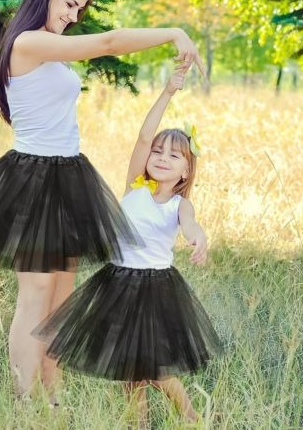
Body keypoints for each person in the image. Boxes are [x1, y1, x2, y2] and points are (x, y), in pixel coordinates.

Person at [0, 0, 206, 401]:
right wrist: (174, 33)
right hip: (33, 177)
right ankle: (23, 401)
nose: (74, 16)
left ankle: (52, 395)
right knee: (35, 293)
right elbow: (111, 42)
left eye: (80, 9)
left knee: (61, 296)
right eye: (70, 4)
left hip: (69, 174)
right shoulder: (27, 42)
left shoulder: (48, 45)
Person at [33, 67, 222, 424]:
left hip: (155, 288)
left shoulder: (178, 204)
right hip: (117, 283)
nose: (162, 157)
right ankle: (138, 422)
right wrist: (167, 92)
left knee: (154, 368)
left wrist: (198, 238)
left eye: (174, 155)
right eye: (158, 151)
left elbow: (190, 225)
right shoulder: (136, 187)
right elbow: (142, 136)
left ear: (186, 171)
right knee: (127, 366)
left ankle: (192, 416)